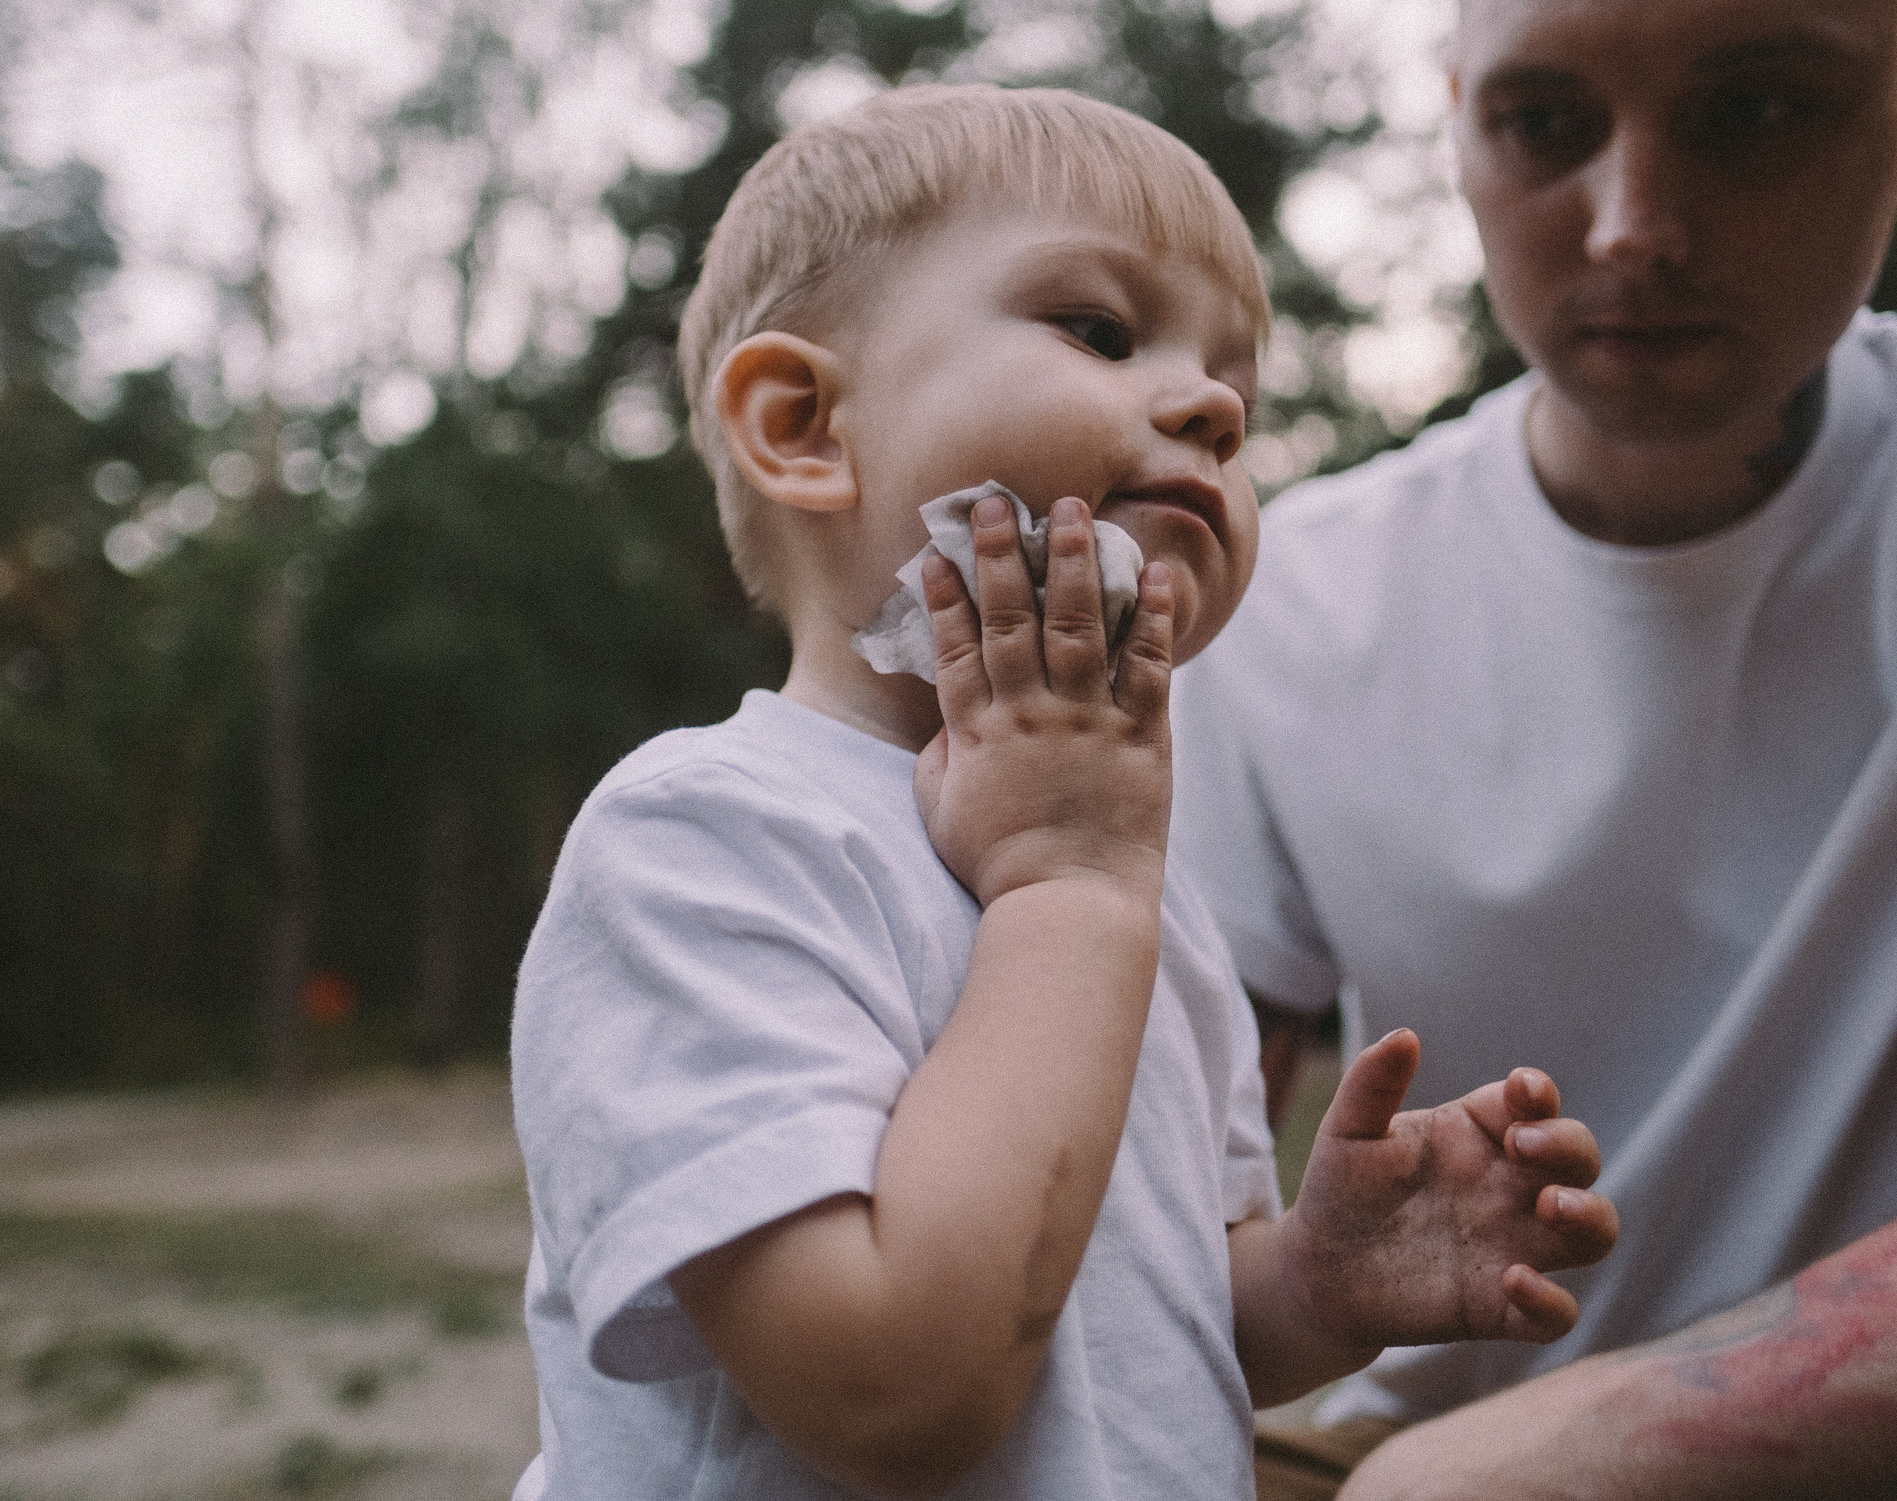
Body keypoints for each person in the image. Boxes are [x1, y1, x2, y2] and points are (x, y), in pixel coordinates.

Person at [1171, 0, 1897, 1496]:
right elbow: (1134, 1244)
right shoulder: (1283, 600)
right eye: (1543, 121)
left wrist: (1556, 1462)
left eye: (1751, 111)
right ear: (1455, 118)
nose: (1630, 224)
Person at [508, 85, 1620, 1499]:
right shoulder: (705, 842)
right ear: (803, 425)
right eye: (1100, 331)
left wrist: (1308, 1291)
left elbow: (1118, 1333)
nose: (1213, 404)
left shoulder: (1143, 893)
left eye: (1240, 402)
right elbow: (896, 1394)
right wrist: (1070, 888)